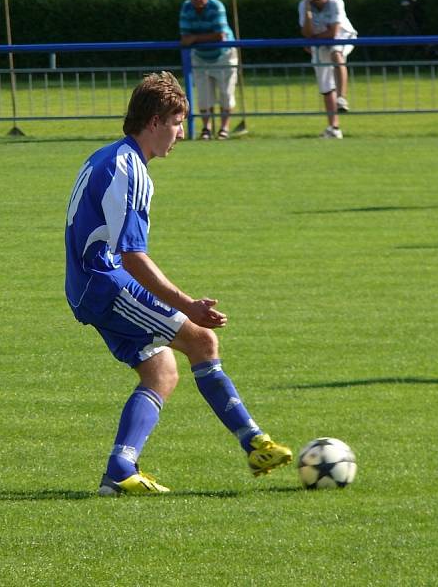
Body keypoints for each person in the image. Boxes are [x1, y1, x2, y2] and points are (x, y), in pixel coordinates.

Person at [64, 71, 291, 496]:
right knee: (202, 340)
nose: (181, 134)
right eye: (177, 122)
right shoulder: (130, 169)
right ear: (153, 122)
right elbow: (132, 257)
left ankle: (119, 470)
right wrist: (187, 304)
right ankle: (255, 442)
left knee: (161, 369)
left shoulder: (107, 156)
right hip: (105, 284)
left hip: (87, 284)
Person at [179, 0, 243, 140]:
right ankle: (206, 129)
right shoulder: (186, 8)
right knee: (203, 96)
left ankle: (224, 128)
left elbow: (220, 36)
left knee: (226, 94)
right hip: (201, 58)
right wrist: (201, 38)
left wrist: (195, 39)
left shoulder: (216, 6)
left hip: (224, 56)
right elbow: (184, 38)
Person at [298, 0, 357, 139]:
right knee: (325, 85)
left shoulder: (336, 2)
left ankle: (342, 98)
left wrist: (312, 40)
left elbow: (333, 32)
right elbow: (306, 32)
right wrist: (308, 14)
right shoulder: (304, 5)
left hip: (342, 36)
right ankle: (334, 128)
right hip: (319, 41)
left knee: (336, 54)